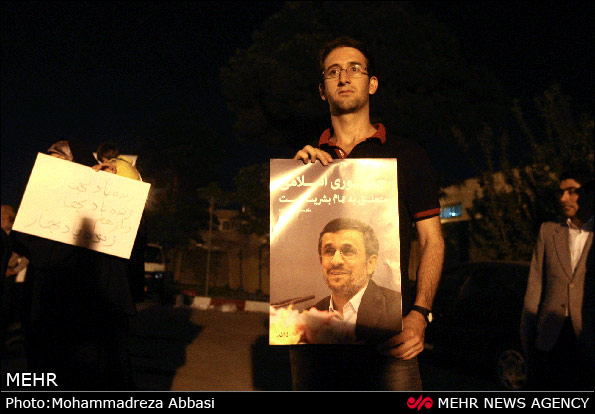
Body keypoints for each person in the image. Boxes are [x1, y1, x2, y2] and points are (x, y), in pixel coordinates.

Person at [291, 36, 444, 390]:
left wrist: (420, 315)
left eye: (354, 69)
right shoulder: (306, 163)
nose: (344, 77)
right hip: (314, 350)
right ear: (322, 90)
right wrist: (295, 182)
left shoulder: (408, 155)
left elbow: (432, 241)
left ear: (372, 83)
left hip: (391, 343)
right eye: (333, 72)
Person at [14, 139, 137, 390]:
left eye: (62, 162)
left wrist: (110, 189)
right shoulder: (45, 206)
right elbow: (25, 241)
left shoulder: (102, 207)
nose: (54, 168)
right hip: (49, 313)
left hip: (93, 321)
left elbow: (130, 241)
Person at [521, 169, 594, 390]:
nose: (563, 199)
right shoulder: (549, 232)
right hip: (551, 340)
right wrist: (527, 334)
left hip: (588, 339)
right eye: (561, 192)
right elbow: (535, 286)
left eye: (571, 191)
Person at [313, 217, 401, 344]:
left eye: (348, 251)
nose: (335, 261)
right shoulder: (309, 316)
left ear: (370, 263)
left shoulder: (398, 308)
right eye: (329, 251)